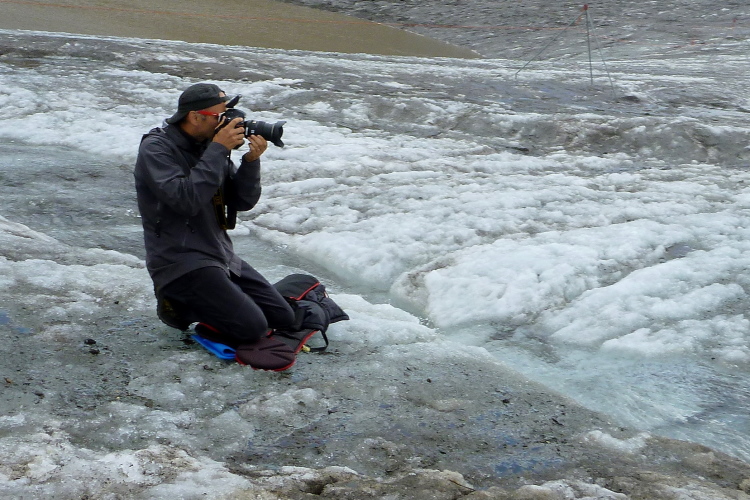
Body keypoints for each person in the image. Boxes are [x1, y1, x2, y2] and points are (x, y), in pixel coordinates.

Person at [134, 82, 295, 348]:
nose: (226, 122)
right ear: (194, 116)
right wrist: (218, 148)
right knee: (253, 328)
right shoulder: (156, 149)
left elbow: (242, 202)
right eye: (219, 116)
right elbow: (186, 201)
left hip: (218, 253)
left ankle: (220, 299)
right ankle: (178, 305)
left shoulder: (208, 146)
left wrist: (250, 162)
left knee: (283, 317)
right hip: (180, 260)